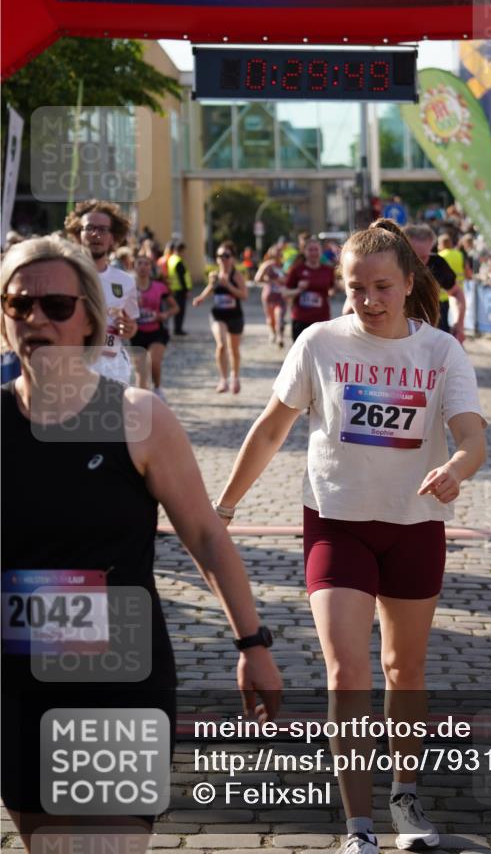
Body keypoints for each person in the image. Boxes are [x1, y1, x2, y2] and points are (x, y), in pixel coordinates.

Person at [212, 219, 487, 854]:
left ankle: (406, 796)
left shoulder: (441, 352)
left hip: (415, 528)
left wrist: (454, 468)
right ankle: (357, 825)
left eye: (382, 287)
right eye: (356, 288)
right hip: (337, 524)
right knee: (346, 672)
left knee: (403, 668)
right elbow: (271, 428)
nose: (368, 301)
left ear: (409, 281)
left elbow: (473, 438)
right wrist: (222, 507)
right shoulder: (319, 343)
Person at [1, 235, 282, 851]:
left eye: (54, 305)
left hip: (117, 677)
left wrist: (252, 643)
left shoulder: (136, 417)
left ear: (89, 318)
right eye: (18, 305)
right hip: (18, 683)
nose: (35, 320)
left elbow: (206, 535)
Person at [64, 200, 139, 385]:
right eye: (89, 228)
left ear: (113, 237)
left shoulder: (126, 281)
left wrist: (130, 329)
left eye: (103, 229)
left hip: (113, 368)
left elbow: (131, 325)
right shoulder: (64, 275)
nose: (96, 234)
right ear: (78, 234)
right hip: (74, 366)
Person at [193, 241, 248, 393]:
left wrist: (229, 286)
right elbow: (210, 288)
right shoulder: (214, 275)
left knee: (234, 350)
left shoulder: (236, 276)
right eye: (219, 256)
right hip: (218, 315)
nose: (222, 259)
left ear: (232, 258)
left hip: (235, 316)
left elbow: (244, 295)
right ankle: (223, 379)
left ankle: (235, 377)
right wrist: (201, 298)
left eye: (226, 255)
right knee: (221, 344)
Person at [131, 253, 179, 399]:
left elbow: (175, 307)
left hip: (156, 331)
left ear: (150, 267)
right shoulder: (128, 288)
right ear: (134, 266)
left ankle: (157, 388)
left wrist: (164, 315)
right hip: (136, 333)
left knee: (154, 361)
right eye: (139, 263)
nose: (143, 267)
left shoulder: (159, 287)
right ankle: (142, 400)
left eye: (146, 264)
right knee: (140, 372)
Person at [403, 224, 456, 334]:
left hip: (437, 326)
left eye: (425, 256)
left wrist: (459, 323)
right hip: (404, 333)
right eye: (415, 257)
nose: (421, 263)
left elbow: (456, 293)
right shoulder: (395, 266)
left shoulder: (438, 263)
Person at [284, 237, 335, 343]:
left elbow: (334, 287)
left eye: (316, 249)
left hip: (322, 319)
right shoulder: (297, 270)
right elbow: (285, 292)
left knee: (322, 353)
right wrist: (298, 290)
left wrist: (333, 291)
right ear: (304, 251)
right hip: (301, 319)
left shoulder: (327, 270)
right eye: (310, 250)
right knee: (301, 355)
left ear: (321, 251)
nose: (313, 253)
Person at [255, 244, 287, 347]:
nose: (278, 254)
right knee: (271, 318)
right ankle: (272, 332)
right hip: (269, 295)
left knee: (280, 316)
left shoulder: (284, 266)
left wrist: (285, 281)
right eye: (276, 252)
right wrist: (272, 280)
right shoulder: (267, 265)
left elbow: (290, 279)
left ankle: (280, 337)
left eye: (280, 252)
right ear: (272, 253)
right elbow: (257, 279)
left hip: (281, 295)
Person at [167, 243, 192, 336]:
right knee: (180, 311)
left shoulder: (171, 259)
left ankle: (177, 328)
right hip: (180, 290)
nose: (185, 254)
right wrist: (187, 290)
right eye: (184, 251)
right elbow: (182, 277)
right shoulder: (178, 261)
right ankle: (178, 329)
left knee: (177, 310)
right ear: (180, 250)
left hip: (174, 289)